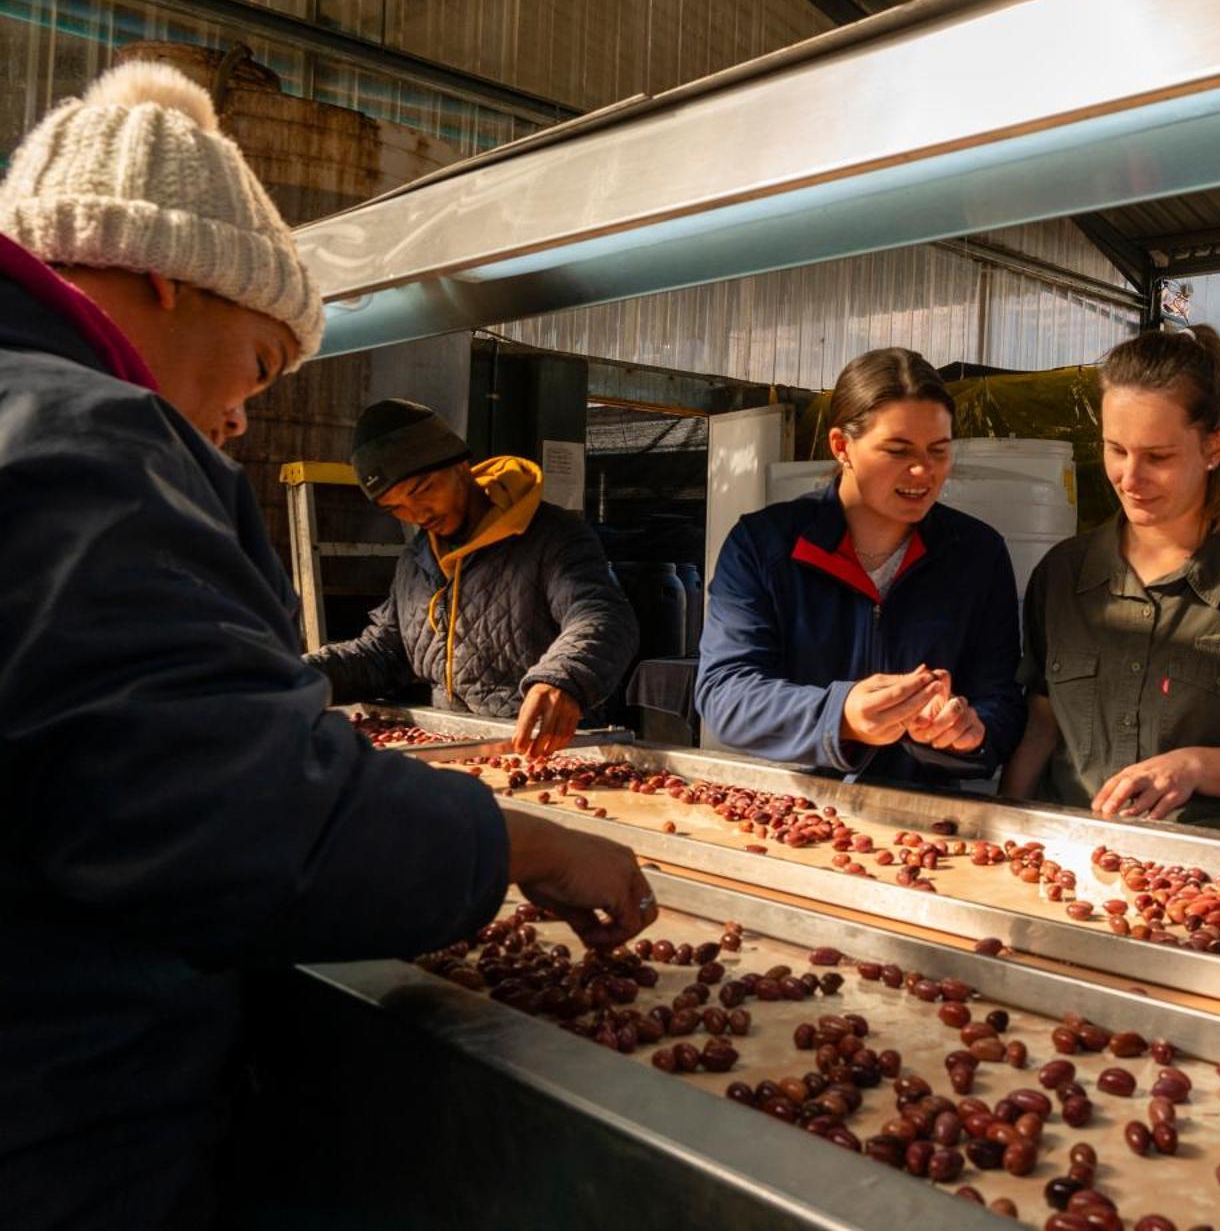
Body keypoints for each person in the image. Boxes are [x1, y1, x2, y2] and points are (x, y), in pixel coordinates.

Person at [0, 61, 651, 1230]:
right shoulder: (84, 440)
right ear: (166, 276)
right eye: (257, 363)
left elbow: (597, 617)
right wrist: (505, 839)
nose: (243, 415)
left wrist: (558, 675)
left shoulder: (547, 531)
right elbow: (230, 809)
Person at [1003, 325, 1220, 831]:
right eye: (1115, 449)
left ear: (1215, 446)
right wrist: (1004, 826)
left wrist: (1196, 766)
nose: (1129, 478)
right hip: (1068, 856)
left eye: (1157, 457)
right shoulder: (1062, 574)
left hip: (1201, 876)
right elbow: (1041, 726)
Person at [696, 347, 1025, 786]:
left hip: (928, 823)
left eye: (939, 451)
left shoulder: (977, 555)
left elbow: (1001, 699)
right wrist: (841, 714)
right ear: (842, 447)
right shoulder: (765, 546)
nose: (922, 471)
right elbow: (725, 691)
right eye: (897, 449)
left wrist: (969, 732)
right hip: (792, 806)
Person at [304, 399, 638, 757]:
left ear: (460, 465)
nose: (416, 513)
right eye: (395, 507)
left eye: (422, 489)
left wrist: (566, 677)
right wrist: (297, 674)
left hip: (546, 750)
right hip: (457, 749)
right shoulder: (417, 560)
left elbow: (602, 615)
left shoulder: (552, 536)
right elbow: (385, 653)